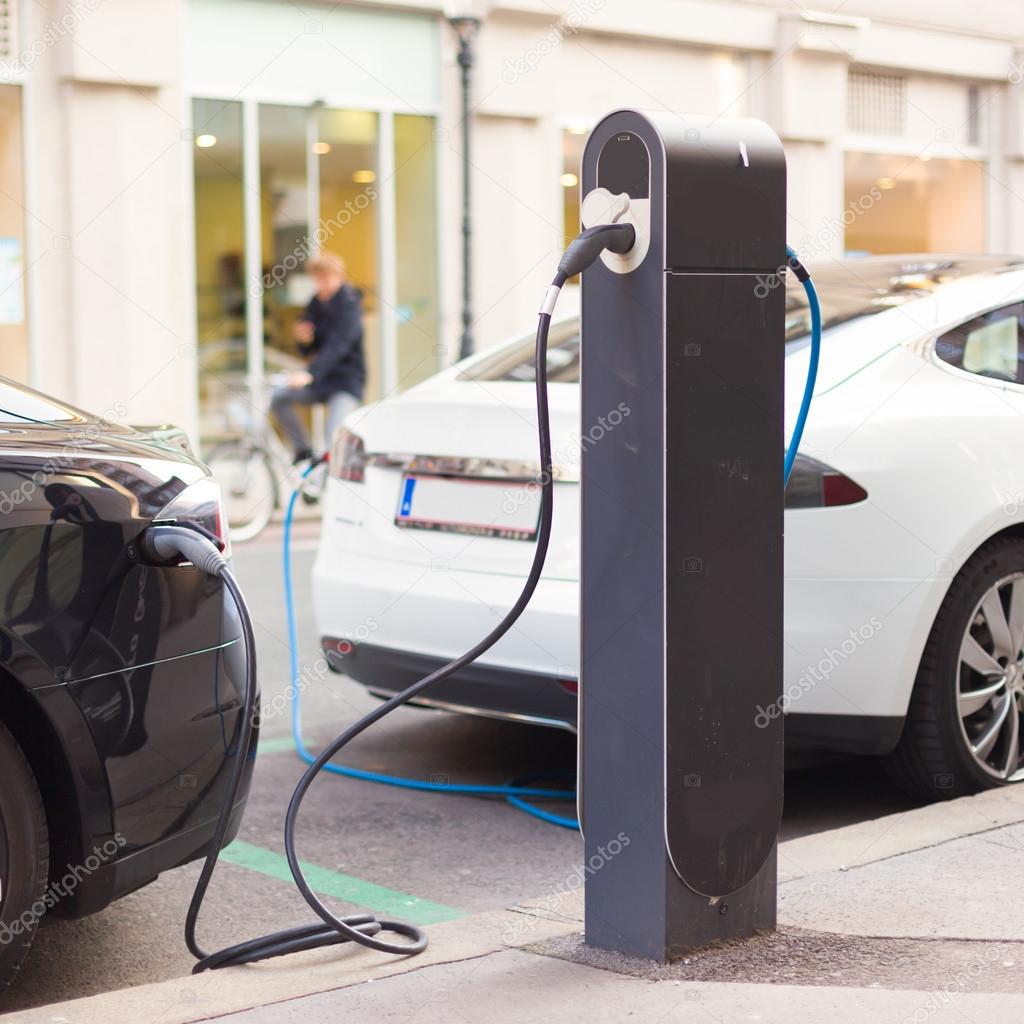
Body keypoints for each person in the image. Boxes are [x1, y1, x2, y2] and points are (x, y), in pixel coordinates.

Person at [270, 251, 365, 462]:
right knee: (279, 398)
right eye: (317, 280)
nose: (322, 285)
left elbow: (338, 347)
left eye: (326, 279)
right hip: (322, 380)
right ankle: (304, 452)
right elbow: (309, 348)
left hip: (345, 383)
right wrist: (303, 340)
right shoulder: (316, 302)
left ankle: (329, 486)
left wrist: (310, 374)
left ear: (339, 277)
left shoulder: (350, 306)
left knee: (333, 436)